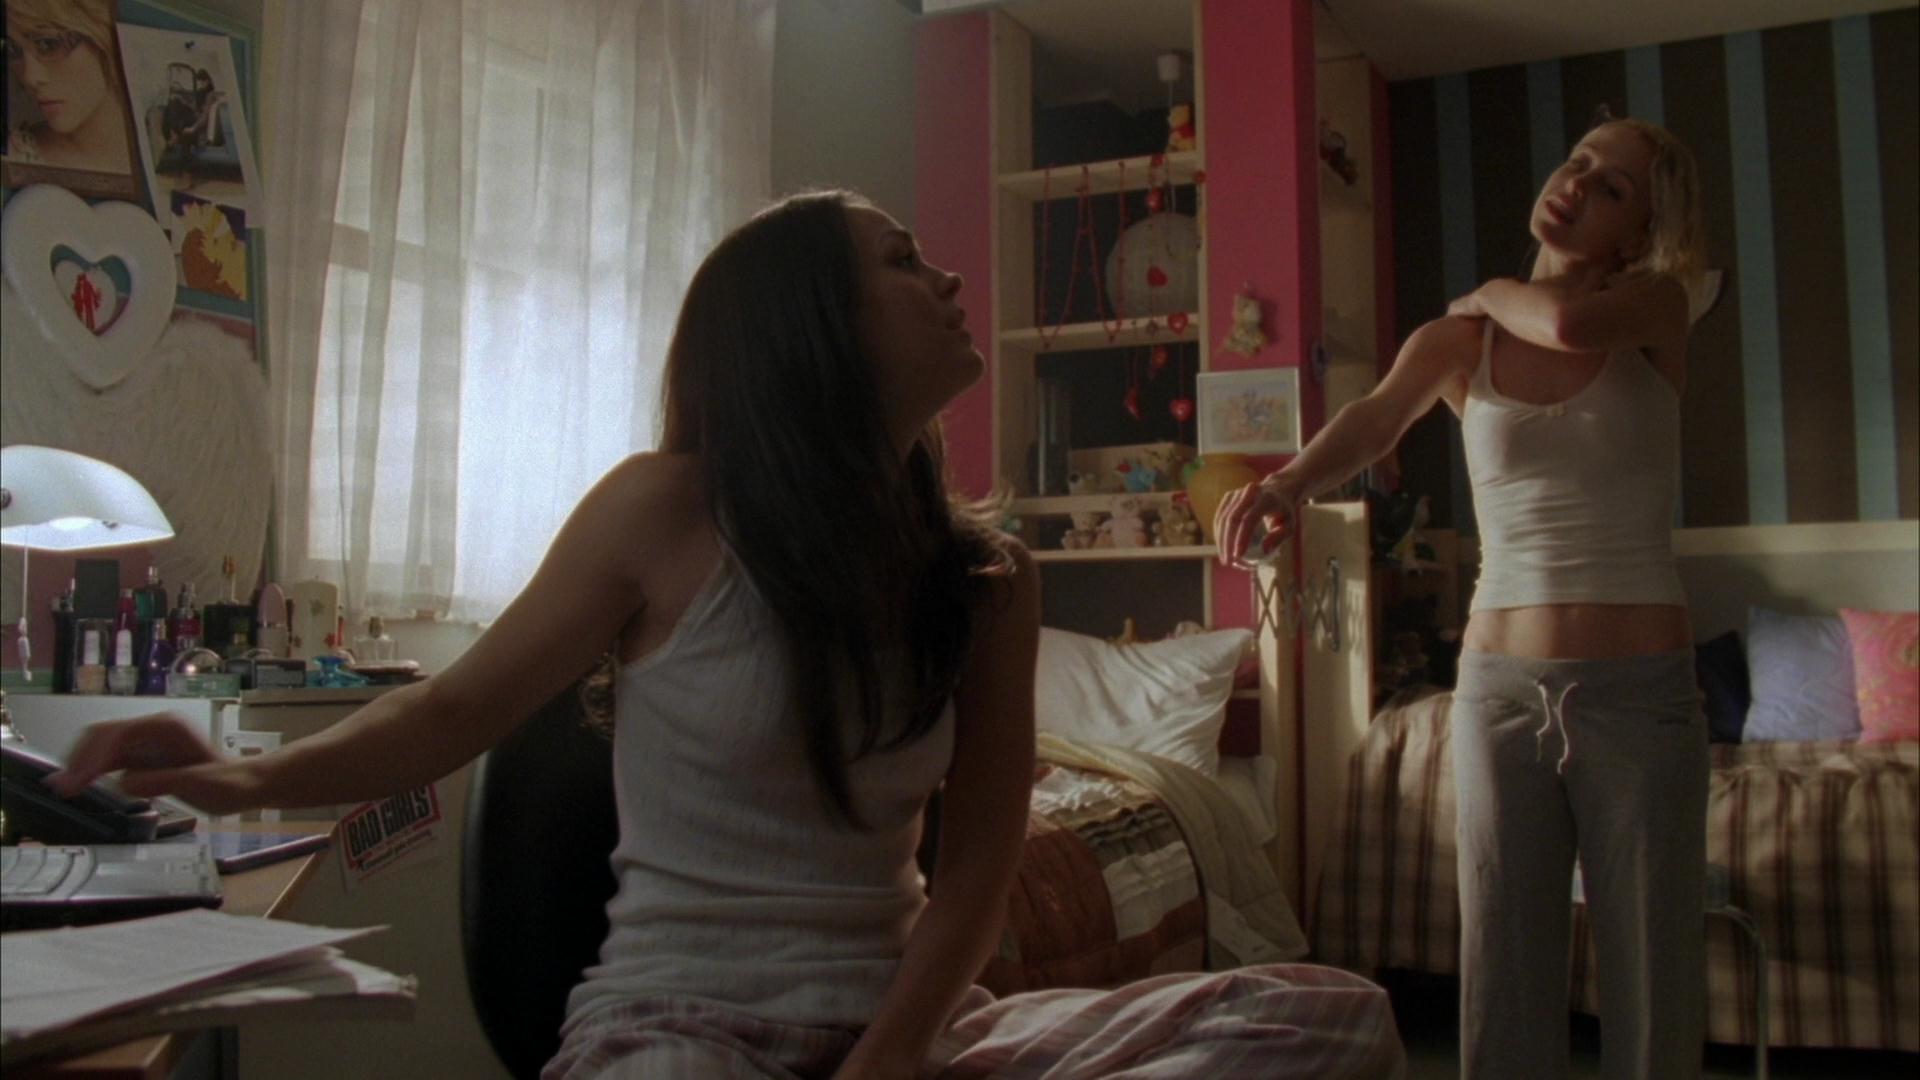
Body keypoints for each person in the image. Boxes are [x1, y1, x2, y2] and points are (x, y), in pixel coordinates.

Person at [52, 191, 1403, 1079]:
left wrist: (890, 1057)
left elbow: (981, 868)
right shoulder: (663, 512)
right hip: (680, 1027)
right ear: (806, 325)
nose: (945, 276)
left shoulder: (987, 579)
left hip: (909, 1035)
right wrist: (237, 781)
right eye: (901, 262)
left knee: (1328, 1018)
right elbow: (449, 713)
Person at [1216, 117, 1709, 1080]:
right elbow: (1374, 418)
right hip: (1499, 693)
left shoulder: (1657, 305)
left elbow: (1566, 326)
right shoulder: (1457, 344)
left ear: (1641, 233)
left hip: (1640, 696)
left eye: (1613, 187)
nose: (1578, 184)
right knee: (1503, 966)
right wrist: (1287, 485)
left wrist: (1485, 291)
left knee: (1653, 971)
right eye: (1578, 162)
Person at [3, 0, 132, 174]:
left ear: (104, 36)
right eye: (12, 50)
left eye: (49, 44)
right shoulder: (14, 156)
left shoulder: (156, 143)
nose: (30, 77)